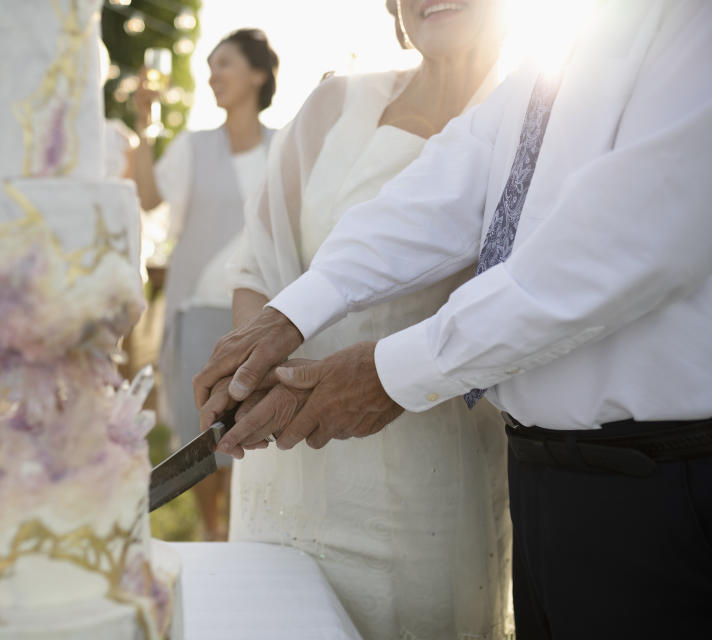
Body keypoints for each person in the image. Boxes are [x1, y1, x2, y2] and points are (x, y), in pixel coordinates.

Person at [194, 1, 712, 638]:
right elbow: (441, 192)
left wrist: (390, 373)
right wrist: (289, 313)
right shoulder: (564, 56)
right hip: (542, 485)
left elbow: (617, 249)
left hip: (660, 485)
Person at [200, 1, 512, 637]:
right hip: (280, 456)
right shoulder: (333, 105)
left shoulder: (535, 119)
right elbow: (258, 265)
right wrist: (253, 381)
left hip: (422, 476)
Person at [131, 28, 278, 541]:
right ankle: (211, 532)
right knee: (202, 435)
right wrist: (143, 127)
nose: (213, 75)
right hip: (198, 313)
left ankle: (241, 532)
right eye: (209, 66)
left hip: (262, 320)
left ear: (258, 74)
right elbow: (149, 198)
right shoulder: (192, 147)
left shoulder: (284, 149)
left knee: (250, 429)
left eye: (225, 64)